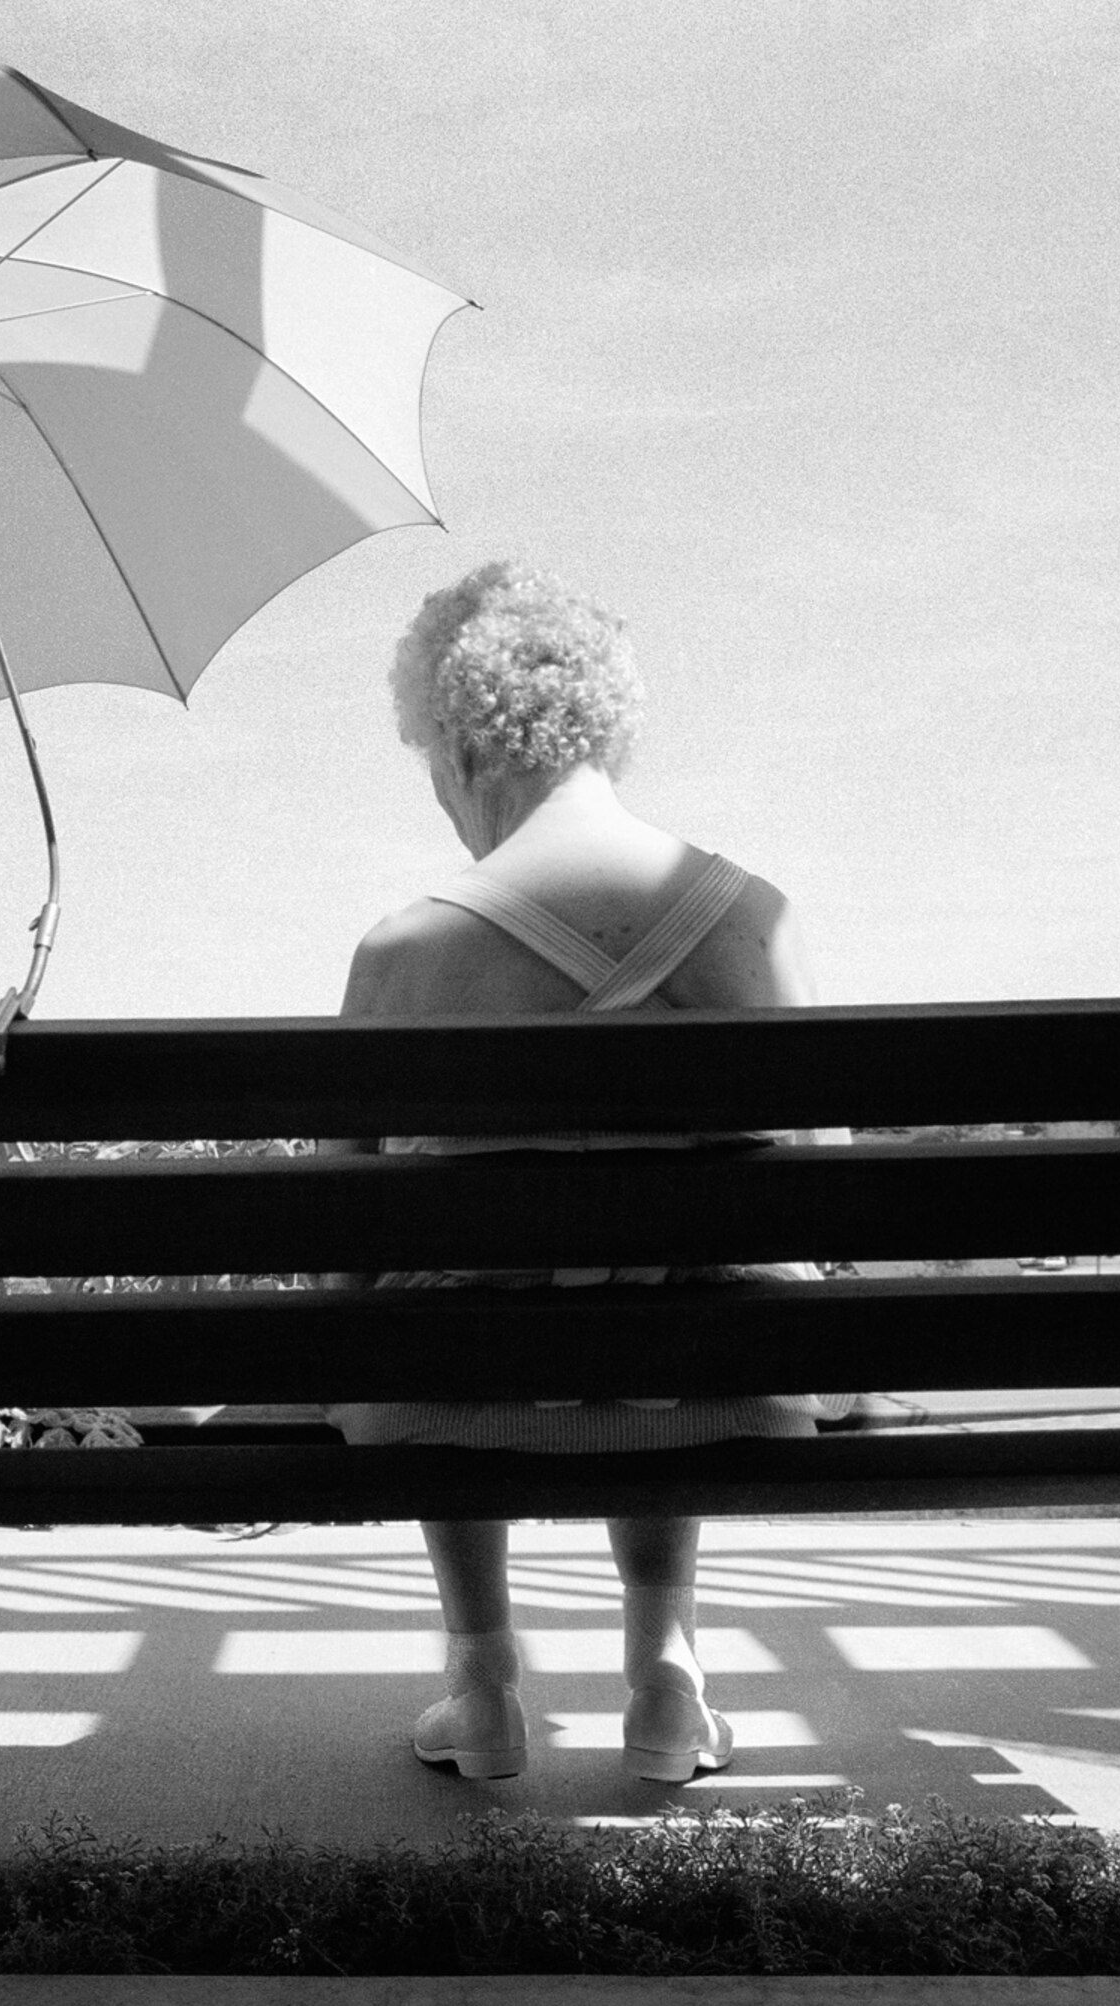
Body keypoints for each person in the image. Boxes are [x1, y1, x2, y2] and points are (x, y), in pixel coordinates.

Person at [324, 559, 852, 1786]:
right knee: (686, 1304)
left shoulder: (402, 949)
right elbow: (821, 1199)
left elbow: (340, 1242)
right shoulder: (757, 917)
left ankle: (484, 1677)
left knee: (420, 1310)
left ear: (462, 750)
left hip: (452, 1405)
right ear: (608, 731)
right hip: (718, 1393)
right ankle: (666, 1672)